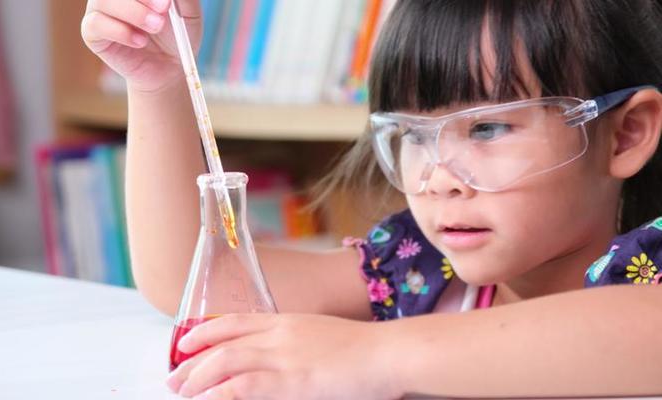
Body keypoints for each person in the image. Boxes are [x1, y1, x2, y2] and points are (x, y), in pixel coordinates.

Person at [81, 0, 662, 398]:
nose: (438, 178)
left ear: (626, 135)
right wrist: (159, 83)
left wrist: (370, 355)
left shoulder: (646, 278)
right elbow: (195, 276)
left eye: (486, 129)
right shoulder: (420, 272)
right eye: (413, 135)